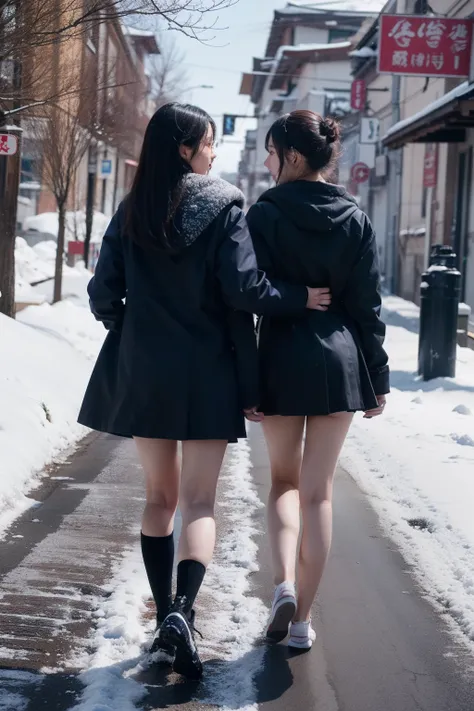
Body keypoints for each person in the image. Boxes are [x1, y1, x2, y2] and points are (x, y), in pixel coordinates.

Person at [77, 103, 330, 679]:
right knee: (198, 502)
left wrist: (132, 327)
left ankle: (166, 613)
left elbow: (102, 294)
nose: (213, 153)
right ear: (188, 149)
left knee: (158, 499)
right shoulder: (225, 205)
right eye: (209, 143)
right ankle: (184, 613)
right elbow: (244, 289)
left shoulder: (132, 207)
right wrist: (298, 297)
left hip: (146, 370)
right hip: (208, 369)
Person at [246, 110, 389, 651]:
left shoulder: (264, 213)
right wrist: (378, 377)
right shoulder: (354, 216)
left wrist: (244, 374)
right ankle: (303, 621)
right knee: (319, 495)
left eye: (271, 151)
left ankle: (282, 584)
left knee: (283, 482)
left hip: (281, 353)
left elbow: (246, 289)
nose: (266, 161)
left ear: (293, 157)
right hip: (339, 361)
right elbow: (366, 306)